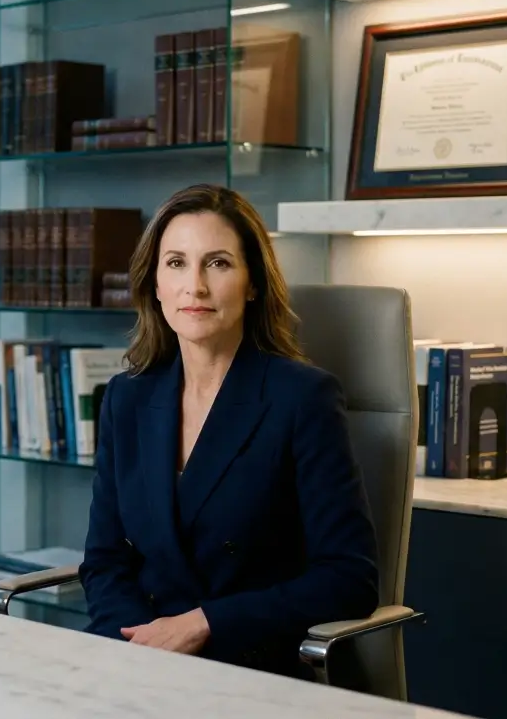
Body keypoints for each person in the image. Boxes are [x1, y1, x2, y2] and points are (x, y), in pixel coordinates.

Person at [78, 183, 380, 680]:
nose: (194, 286)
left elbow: (349, 578)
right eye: (176, 263)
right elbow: (104, 561)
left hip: (253, 662)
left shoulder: (301, 398)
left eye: (217, 263)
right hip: (138, 658)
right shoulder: (126, 399)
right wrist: (138, 642)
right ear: (154, 283)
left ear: (253, 282)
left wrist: (202, 625)